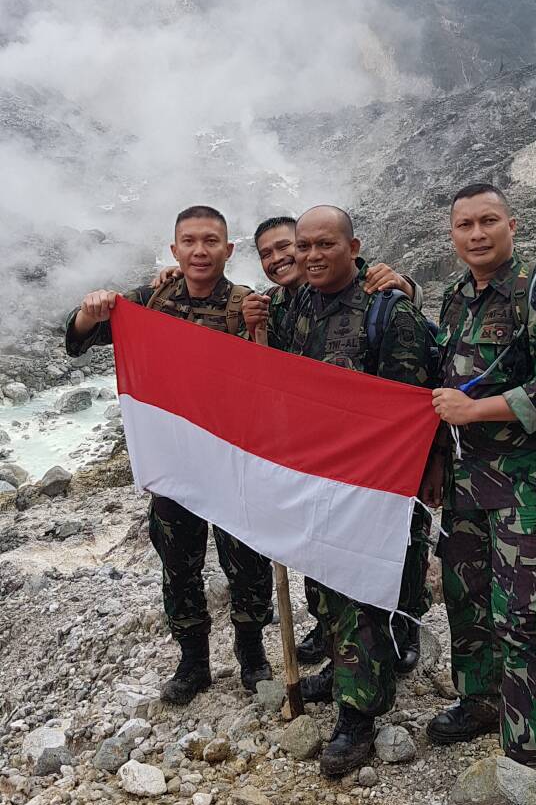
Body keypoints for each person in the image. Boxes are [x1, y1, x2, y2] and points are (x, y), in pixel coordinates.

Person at [157, 214, 431, 672]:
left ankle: (400, 634)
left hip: (375, 458)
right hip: (318, 457)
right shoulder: (288, 304)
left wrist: (405, 282)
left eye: (290, 246)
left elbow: (411, 362)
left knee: (394, 546)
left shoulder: (374, 296)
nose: (282, 258)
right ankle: (336, 646)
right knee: (324, 556)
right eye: (268, 253)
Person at [245, 204, 435, 776]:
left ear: (354, 248)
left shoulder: (389, 313)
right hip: (313, 475)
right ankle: (343, 665)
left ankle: (358, 718)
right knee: (323, 589)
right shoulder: (290, 303)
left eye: (324, 245)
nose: (310, 256)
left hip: (371, 483)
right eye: (302, 247)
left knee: (361, 596)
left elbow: (411, 409)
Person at [65, 206, 274, 705]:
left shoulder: (249, 305)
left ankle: (252, 654)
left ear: (229, 249)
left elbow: (283, 368)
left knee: (246, 562)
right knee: (179, 564)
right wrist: (90, 309)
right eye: (189, 241)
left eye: (210, 241)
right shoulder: (150, 300)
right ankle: (193, 661)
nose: (199, 250)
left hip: (231, 461)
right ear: (174, 248)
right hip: (172, 462)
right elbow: (76, 341)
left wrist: (259, 330)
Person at [425, 183, 536, 770]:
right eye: (464, 225)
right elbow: (442, 383)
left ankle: (528, 745)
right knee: (465, 599)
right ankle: (479, 703)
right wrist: (440, 457)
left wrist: (477, 410)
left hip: (525, 477)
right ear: (453, 235)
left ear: (511, 225)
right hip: (466, 476)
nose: (476, 234)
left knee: (520, 611)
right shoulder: (455, 297)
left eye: (488, 221)